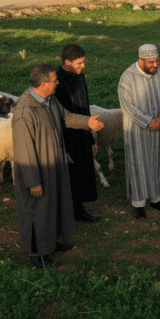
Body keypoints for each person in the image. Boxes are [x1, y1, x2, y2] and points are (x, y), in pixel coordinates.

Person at [11, 64, 104, 269]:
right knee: (37, 210)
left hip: (54, 166)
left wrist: (88, 122)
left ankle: (50, 242)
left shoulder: (50, 100)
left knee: (52, 207)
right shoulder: (25, 112)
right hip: (38, 172)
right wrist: (33, 181)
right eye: (55, 80)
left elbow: (66, 117)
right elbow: (24, 150)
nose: (58, 83)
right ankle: (38, 252)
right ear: (44, 84)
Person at [118, 44, 160, 220]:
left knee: (158, 162)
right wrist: (148, 121)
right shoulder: (127, 78)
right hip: (138, 131)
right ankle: (139, 204)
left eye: (157, 61)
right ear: (141, 60)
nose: (155, 65)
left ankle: (156, 200)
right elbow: (127, 105)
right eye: (151, 62)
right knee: (140, 165)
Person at [53, 44, 100, 224]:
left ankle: (79, 209)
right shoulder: (57, 81)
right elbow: (59, 115)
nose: (83, 66)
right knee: (70, 176)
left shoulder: (79, 77)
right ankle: (67, 213)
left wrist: (89, 135)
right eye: (79, 63)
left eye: (84, 62)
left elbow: (85, 106)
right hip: (68, 136)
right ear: (67, 62)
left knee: (82, 173)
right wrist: (63, 146)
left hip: (82, 133)